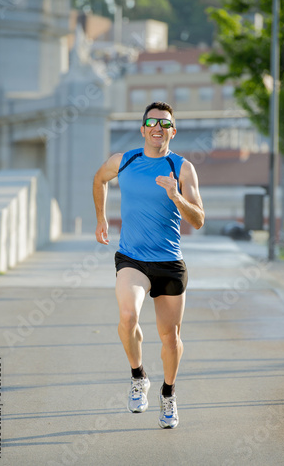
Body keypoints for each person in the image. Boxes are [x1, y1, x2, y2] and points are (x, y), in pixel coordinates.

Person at [93, 101, 204, 429]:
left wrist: (176, 196)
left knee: (170, 337)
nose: (158, 128)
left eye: (165, 123)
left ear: (173, 130)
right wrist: (101, 217)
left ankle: (168, 395)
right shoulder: (124, 161)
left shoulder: (181, 168)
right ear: (143, 129)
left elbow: (198, 220)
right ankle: (138, 376)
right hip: (132, 259)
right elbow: (99, 179)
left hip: (169, 263)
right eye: (152, 122)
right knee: (128, 316)